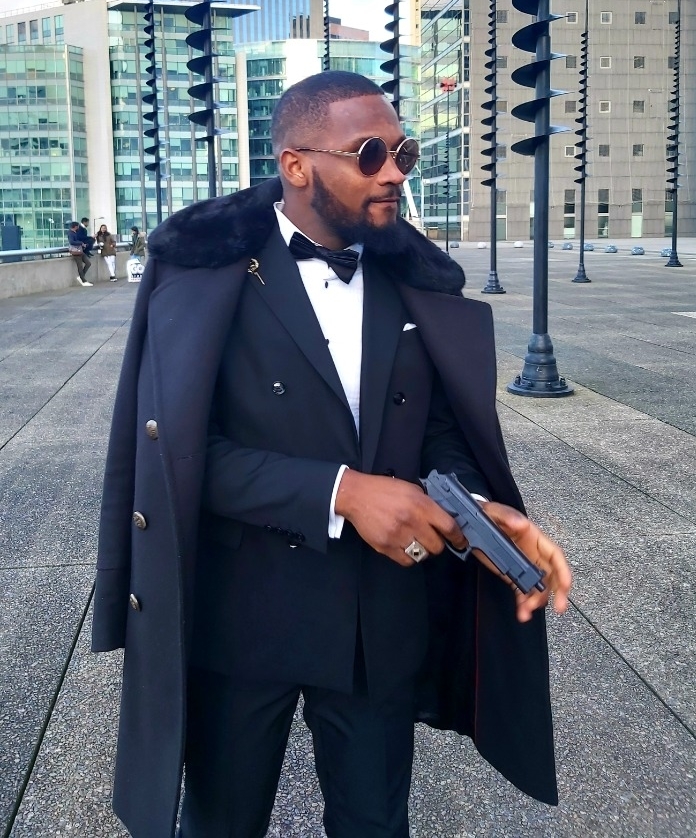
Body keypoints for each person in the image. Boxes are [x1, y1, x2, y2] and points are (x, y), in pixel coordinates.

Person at [92, 72, 572, 838]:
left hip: (375, 618)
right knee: (220, 823)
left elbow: (440, 432)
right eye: (370, 154)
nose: (394, 174)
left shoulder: (410, 275)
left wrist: (479, 512)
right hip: (243, 612)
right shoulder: (205, 275)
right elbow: (180, 456)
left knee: (376, 823)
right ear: (296, 165)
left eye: (404, 154)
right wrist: (341, 492)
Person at [67, 221, 92, 286]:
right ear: (75, 227)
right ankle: (83, 280)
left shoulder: (75, 232)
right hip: (75, 251)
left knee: (88, 263)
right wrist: (80, 243)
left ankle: (81, 277)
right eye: (78, 226)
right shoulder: (70, 233)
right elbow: (71, 242)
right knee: (80, 266)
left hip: (80, 250)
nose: (78, 227)